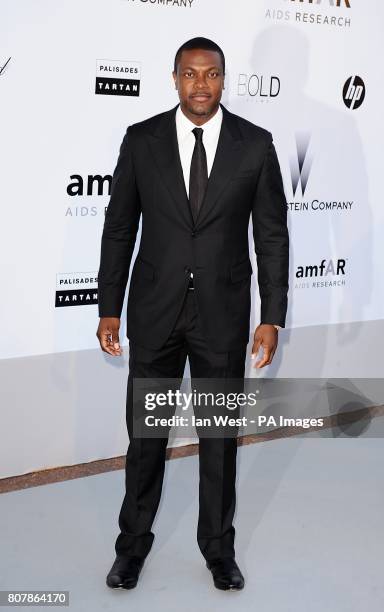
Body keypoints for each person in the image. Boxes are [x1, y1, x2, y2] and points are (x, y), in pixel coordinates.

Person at [96, 37, 289, 591]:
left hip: (223, 316)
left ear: (224, 79)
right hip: (155, 313)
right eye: (189, 73)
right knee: (147, 439)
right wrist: (109, 306)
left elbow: (271, 236)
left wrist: (271, 316)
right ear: (174, 77)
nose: (200, 84)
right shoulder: (142, 141)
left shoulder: (255, 145)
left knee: (219, 442)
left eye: (211, 74)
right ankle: (130, 549)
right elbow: (118, 229)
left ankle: (218, 550)